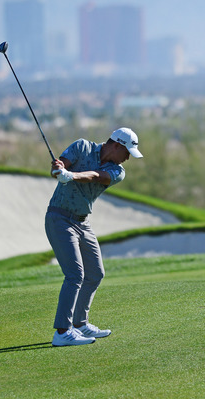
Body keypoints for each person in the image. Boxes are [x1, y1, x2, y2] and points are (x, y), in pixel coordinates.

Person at [45, 127, 143, 347]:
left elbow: (96, 176)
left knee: (96, 273)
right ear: (116, 145)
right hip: (59, 218)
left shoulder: (117, 171)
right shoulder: (82, 147)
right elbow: (58, 168)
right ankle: (62, 331)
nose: (127, 158)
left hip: (83, 223)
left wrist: (71, 176)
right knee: (75, 275)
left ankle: (80, 324)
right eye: (127, 152)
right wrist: (59, 170)